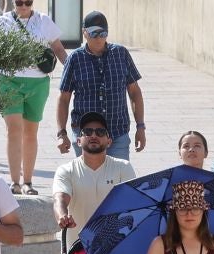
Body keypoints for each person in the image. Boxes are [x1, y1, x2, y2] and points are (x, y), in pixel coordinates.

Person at [0, 0, 64, 193]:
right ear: (13, 2)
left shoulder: (43, 21)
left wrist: (71, 70)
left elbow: (58, 48)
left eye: (27, 2)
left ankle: (28, 182)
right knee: (14, 130)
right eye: (19, 2)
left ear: (33, 1)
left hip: (38, 81)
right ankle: (15, 182)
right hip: (10, 80)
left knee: (31, 133)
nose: (23, 6)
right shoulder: (2, 21)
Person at [55, 11, 147, 158]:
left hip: (117, 134)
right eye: (94, 33)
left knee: (119, 180)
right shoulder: (75, 59)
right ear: (84, 33)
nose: (99, 38)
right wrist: (61, 133)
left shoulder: (121, 54)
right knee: (87, 180)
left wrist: (140, 127)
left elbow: (134, 92)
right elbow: (64, 97)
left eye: (103, 33)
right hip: (85, 136)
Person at [52, 110, 137, 254]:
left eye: (100, 132)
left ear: (109, 141)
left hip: (114, 250)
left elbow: (131, 204)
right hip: (78, 252)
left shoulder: (123, 167)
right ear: (78, 141)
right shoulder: (66, 170)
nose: (94, 135)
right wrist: (62, 216)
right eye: (88, 131)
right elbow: (60, 199)